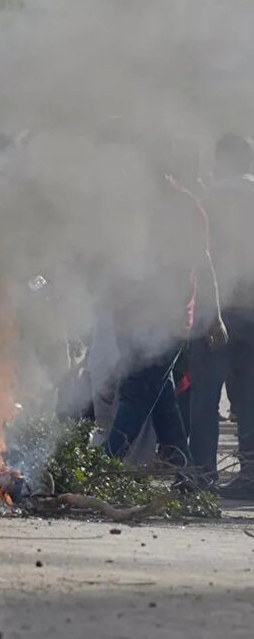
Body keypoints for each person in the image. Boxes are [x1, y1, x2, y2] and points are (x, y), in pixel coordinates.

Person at [103, 163, 226, 481]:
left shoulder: (184, 207)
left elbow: (202, 261)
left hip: (165, 320)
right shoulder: (126, 206)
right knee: (162, 400)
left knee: (137, 392)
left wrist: (214, 317)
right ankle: (188, 476)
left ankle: (104, 468)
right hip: (129, 318)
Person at [190, 135, 254, 496]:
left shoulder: (212, 198)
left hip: (220, 309)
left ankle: (202, 476)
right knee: (248, 400)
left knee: (205, 399)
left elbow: (203, 254)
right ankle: (250, 476)